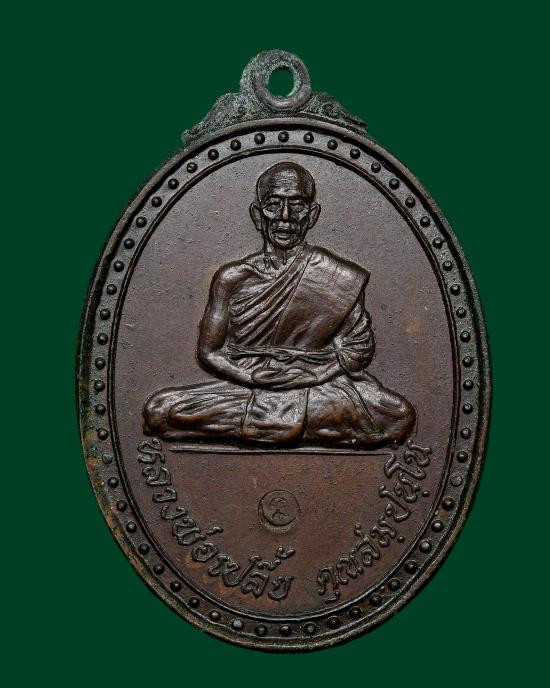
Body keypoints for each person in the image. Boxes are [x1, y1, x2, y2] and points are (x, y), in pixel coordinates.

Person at [143, 161, 415, 447]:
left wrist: (313, 375)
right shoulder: (232, 277)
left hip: (318, 385)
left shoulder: (338, 275)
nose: (285, 217)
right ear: (257, 215)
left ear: (312, 215)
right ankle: (291, 426)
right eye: (274, 205)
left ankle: (265, 426)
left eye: (297, 206)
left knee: (398, 416)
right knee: (160, 410)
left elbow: (357, 350)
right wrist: (250, 376)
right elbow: (209, 352)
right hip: (244, 385)